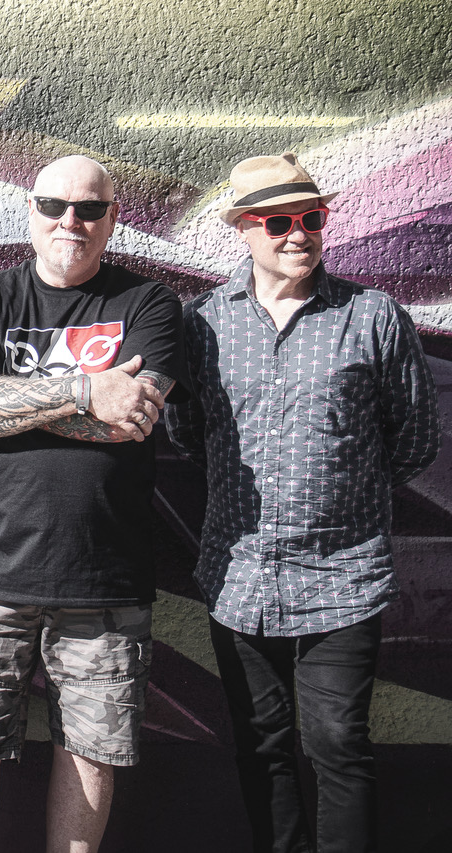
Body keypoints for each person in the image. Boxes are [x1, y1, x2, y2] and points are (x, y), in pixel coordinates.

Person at [165, 152, 440, 853]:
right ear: (243, 230)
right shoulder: (203, 325)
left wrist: (341, 493)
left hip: (343, 574)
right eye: (279, 223)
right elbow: (188, 432)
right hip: (240, 572)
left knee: (338, 741)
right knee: (261, 743)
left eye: (311, 219)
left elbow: (412, 439)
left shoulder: (372, 317)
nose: (299, 235)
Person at [0, 154, 186, 853]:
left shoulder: (149, 304)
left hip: (105, 579)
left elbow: (132, 418)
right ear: (31, 212)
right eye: (53, 205)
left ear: (112, 218)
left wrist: (4, 412)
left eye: (90, 208)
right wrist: (85, 390)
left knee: (90, 754)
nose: (71, 220)